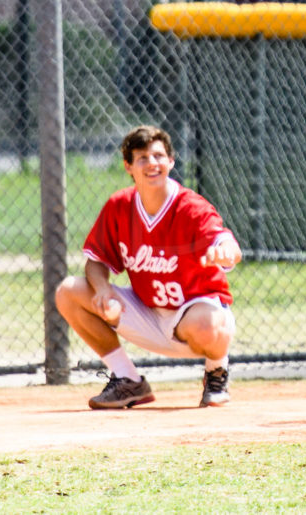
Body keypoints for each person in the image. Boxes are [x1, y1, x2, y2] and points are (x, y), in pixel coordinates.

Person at [56, 125, 242, 409]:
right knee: (68, 291)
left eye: (158, 156)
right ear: (128, 166)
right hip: (147, 313)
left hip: (194, 318)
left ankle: (216, 371)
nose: (152, 164)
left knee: (208, 322)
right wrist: (104, 290)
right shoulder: (120, 205)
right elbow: (96, 261)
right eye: (142, 158)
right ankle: (128, 380)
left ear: (171, 161)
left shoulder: (190, 207)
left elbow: (226, 242)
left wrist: (224, 252)